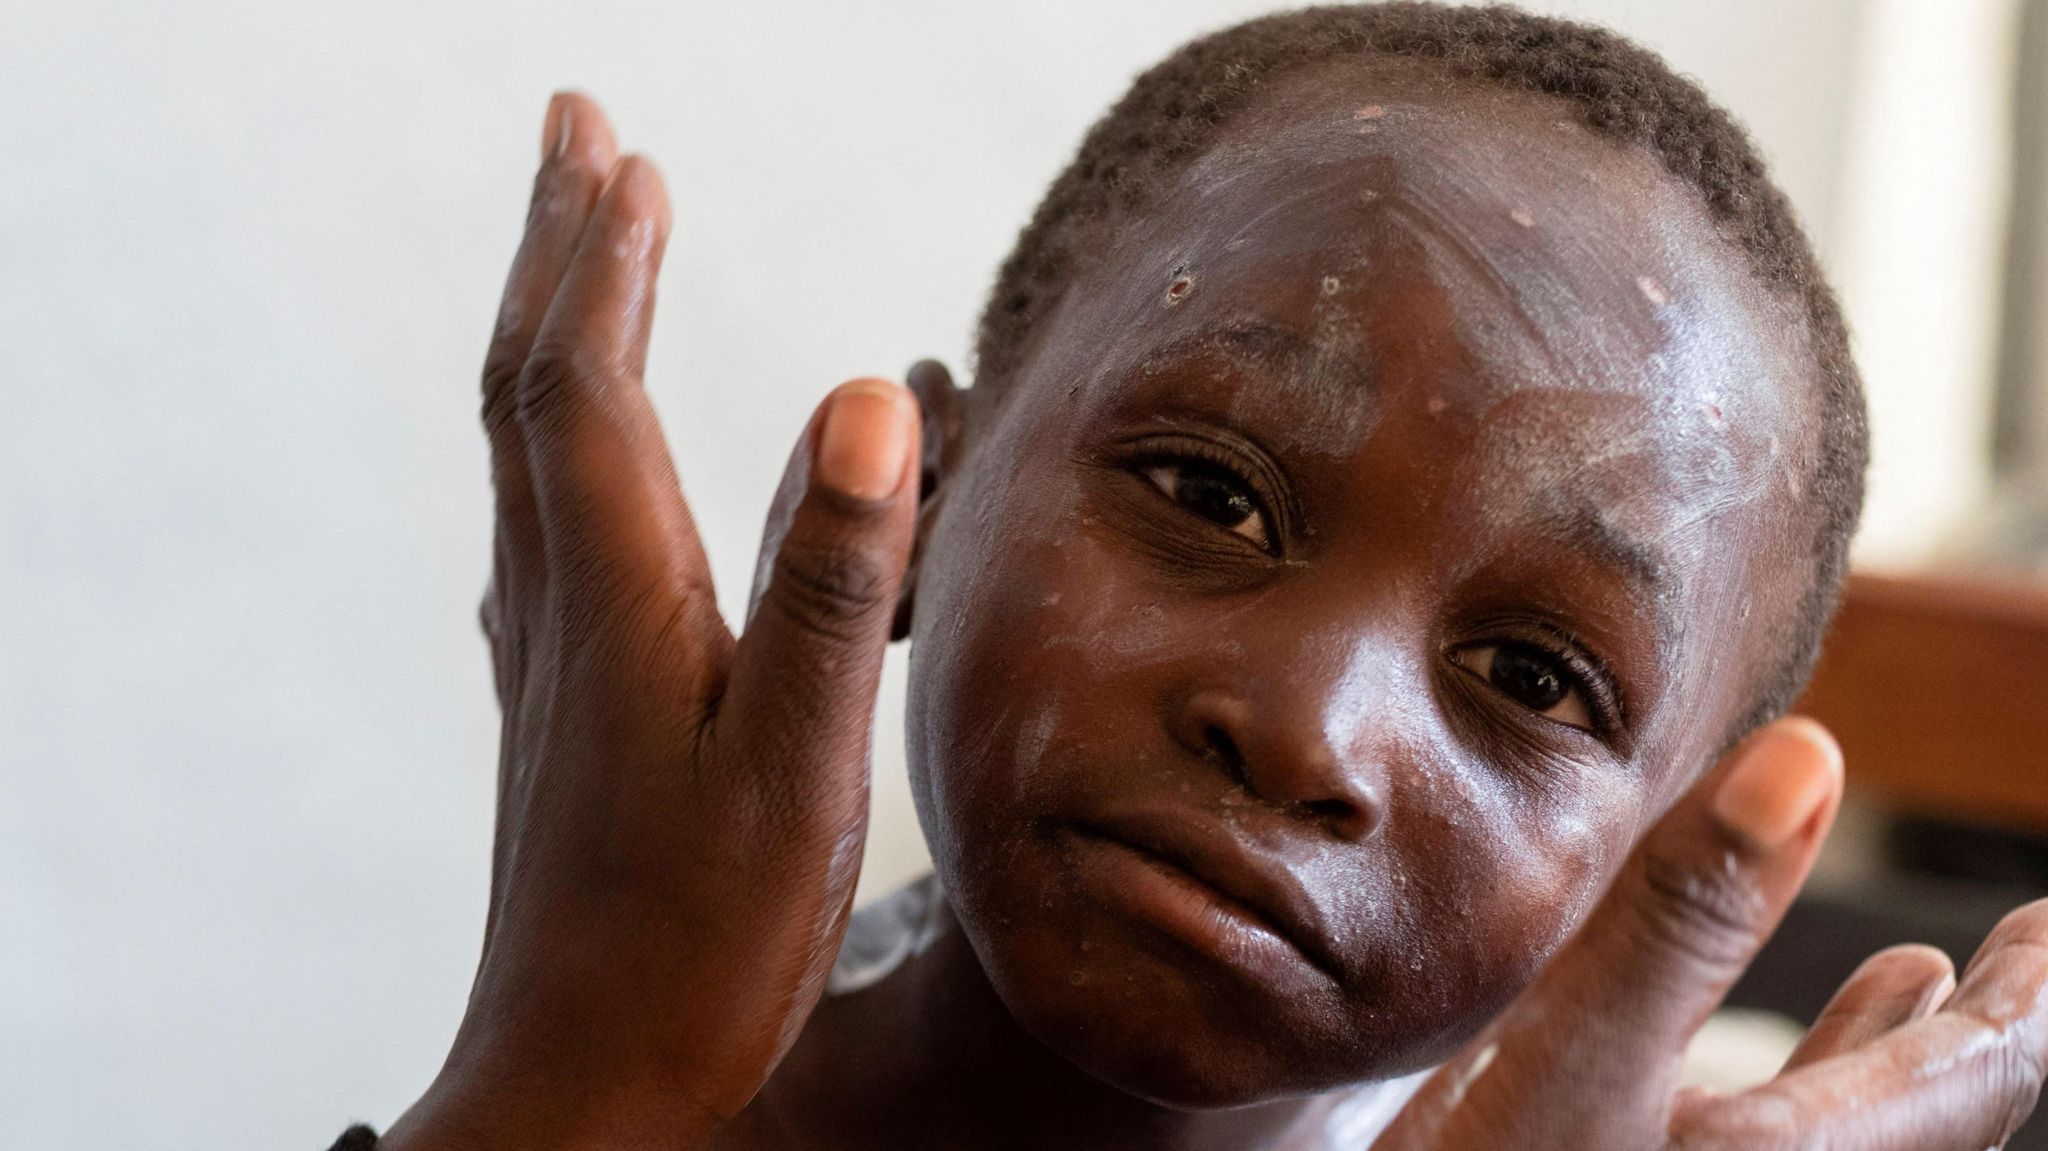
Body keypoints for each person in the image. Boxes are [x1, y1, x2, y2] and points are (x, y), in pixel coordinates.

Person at [333, 5, 2048, 1148]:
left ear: (1651, 859)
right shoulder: (596, 1081)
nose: (1308, 729)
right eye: (1211, 496)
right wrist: (563, 1089)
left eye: (1537, 680)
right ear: (926, 488)